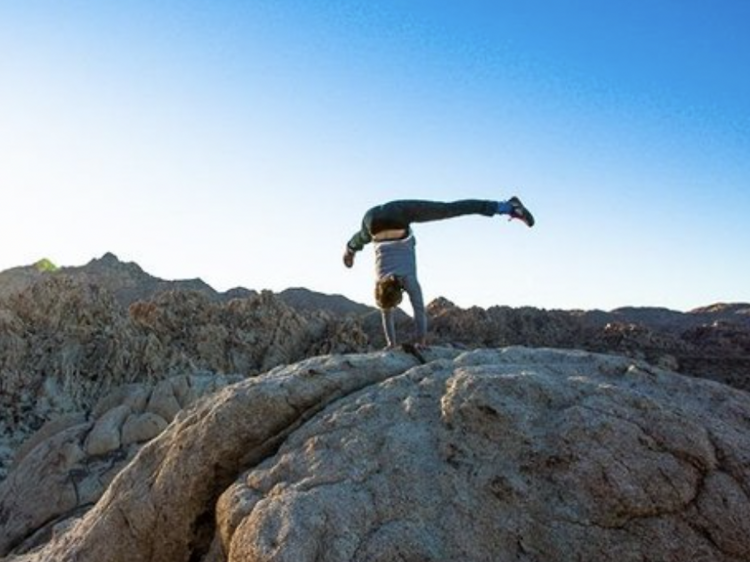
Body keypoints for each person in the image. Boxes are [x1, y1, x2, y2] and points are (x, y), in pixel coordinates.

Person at [343, 197, 535, 348]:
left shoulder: (409, 281)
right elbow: (386, 313)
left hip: (397, 217)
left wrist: (416, 341)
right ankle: (349, 250)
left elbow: (418, 311)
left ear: (400, 291)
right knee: (448, 209)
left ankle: (510, 207)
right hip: (372, 220)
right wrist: (352, 249)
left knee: (448, 211)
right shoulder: (380, 283)